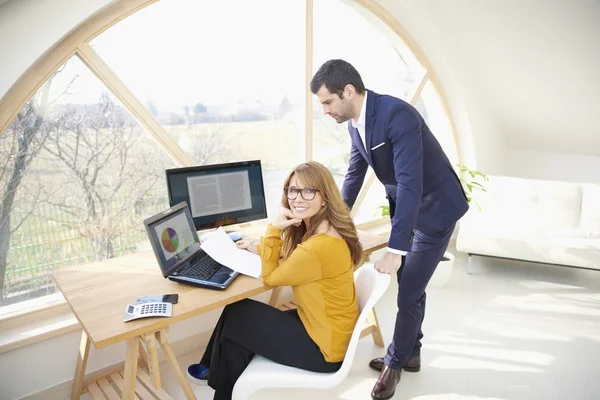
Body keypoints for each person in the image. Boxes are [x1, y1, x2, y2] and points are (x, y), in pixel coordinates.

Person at [310, 59, 469, 400]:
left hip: (435, 209)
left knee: (409, 289)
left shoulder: (398, 115)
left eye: (327, 102)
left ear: (348, 91)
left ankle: (394, 365)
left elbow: (411, 182)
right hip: (408, 209)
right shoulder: (356, 124)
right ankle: (411, 353)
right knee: (412, 286)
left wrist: (395, 250)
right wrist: (333, 221)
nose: (325, 110)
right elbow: (354, 175)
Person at [187, 161, 363, 400]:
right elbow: (298, 259)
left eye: (308, 190)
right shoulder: (328, 230)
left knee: (238, 316)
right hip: (327, 328)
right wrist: (263, 249)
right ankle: (214, 374)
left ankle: (214, 374)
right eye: (293, 190)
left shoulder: (317, 247)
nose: (297, 198)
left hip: (325, 349)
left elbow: (271, 278)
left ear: (325, 197)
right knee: (237, 321)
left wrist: (274, 230)